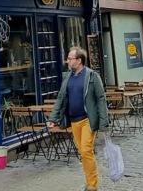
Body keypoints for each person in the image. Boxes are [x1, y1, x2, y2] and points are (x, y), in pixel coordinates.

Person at [52, 47, 109, 191]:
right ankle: (88, 180)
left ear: (79, 60)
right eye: (68, 58)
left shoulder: (91, 76)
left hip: (87, 119)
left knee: (85, 150)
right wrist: (53, 118)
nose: (67, 61)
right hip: (73, 121)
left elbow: (101, 99)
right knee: (83, 153)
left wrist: (103, 123)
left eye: (70, 58)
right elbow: (61, 98)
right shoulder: (67, 77)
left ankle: (92, 185)